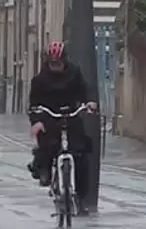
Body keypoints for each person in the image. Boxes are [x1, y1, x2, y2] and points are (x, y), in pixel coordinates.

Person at [27, 41, 97, 215]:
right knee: (46, 146)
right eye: (52, 63)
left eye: (58, 63)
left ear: (64, 61)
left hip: (71, 116)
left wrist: (89, 103)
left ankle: (80, 197)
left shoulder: (75, 74)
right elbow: (34, 104)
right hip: (49, 118)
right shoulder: (40, 80)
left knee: (81, 155)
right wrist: (37, 121)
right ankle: (44, 171)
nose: (55, 67)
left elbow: (84, 90)